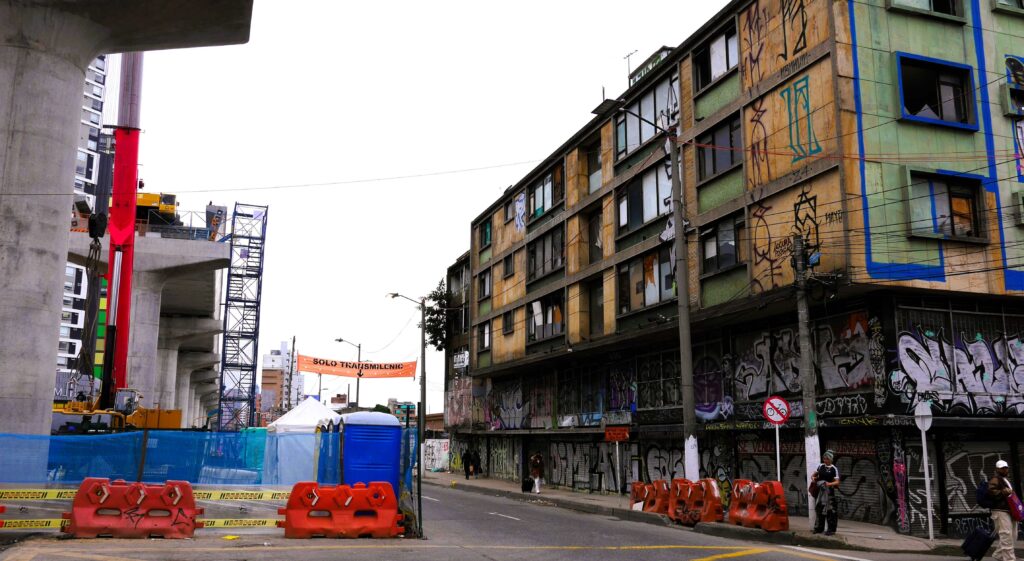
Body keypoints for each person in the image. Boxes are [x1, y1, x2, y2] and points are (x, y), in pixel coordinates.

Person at [988, 459, 1018, 561]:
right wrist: (1003, 492)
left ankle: (999, 555)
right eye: (1002, 468)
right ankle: (1009, 559)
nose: (1005, 470)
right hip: (1000, 511)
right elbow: (991, 492)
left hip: (1009, 511)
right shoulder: (995, 479)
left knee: (1013, 536)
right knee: (1006, 535)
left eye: (1006, 468)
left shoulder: (1005, 479)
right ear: (997, 469)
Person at [812, 449, 841, 536]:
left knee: (830, 511)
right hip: (821, 491)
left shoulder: (833, 469)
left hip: (829, 492)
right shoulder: (821, 466)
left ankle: (831, 530)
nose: (825, 460)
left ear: (831, 459)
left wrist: (829, 484)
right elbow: (814, 474)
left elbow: (837, 482)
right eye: (824, 458)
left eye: (827, 459)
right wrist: (813, 478)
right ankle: (818, 528)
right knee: (819, 509)